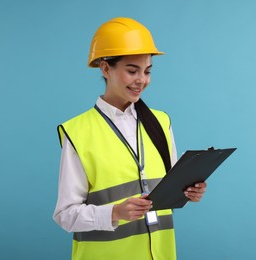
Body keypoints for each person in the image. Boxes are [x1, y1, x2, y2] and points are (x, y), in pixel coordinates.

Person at [53, 17, 207, 260]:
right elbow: (66, 215)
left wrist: (189, 193)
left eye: (147, 71)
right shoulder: (78, 132)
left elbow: (170, 189)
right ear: (105, 68)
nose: (141, 80)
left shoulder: (160, 122)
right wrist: (115, 212)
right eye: (132, 70)